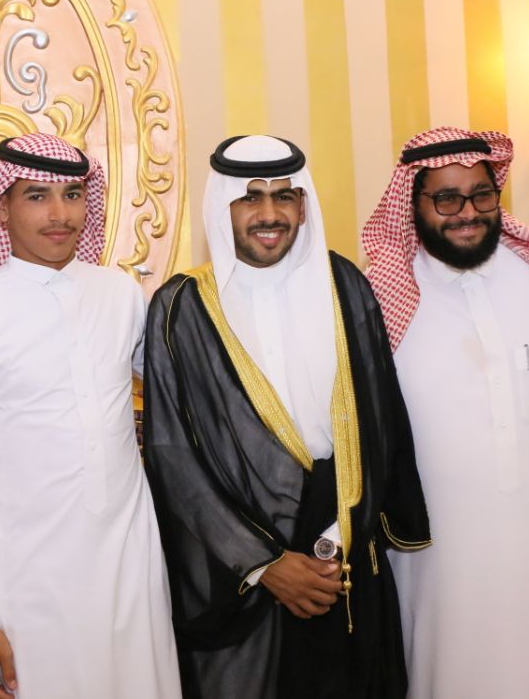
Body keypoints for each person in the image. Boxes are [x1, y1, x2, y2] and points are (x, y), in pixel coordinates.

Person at [143, 135, 430, 699]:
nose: (269, 214)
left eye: (283, 196)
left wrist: (341, 535)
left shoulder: (345, 285)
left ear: (303, 204)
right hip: (240, 564)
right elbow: (174, 459)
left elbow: (381, 418)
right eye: (249, 198)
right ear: (222, 207)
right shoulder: (181, 307)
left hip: (344, 544)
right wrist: (264, 563)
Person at [0, 134, 179, 699]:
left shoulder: (121, 295)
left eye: (72, 195)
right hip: (27, 584)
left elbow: (183, 391)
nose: (60, 215)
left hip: (129, 570)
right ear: (1, 207)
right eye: (37, 196)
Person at [360, 127, 529, 698]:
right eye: (446, 199)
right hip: (439, 555)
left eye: (482, 194)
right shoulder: (379, 299)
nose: (467, 212)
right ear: (413, 204)